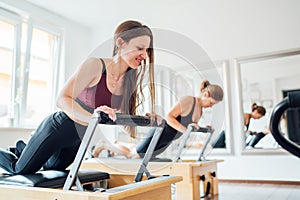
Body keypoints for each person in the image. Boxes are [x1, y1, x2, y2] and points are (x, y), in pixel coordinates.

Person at [0, 20, 156, 174]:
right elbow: (62, 99)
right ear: (121, 43)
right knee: (19, 169)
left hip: (79, 135)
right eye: (140, 48)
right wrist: (93, 117)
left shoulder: (128, 81)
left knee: (52, 169)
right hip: (59, 127)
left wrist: (147, 120)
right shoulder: (95, 65)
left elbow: (121, 121)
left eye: (147, 50)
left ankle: (23, 148)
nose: (144, 55)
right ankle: (25, 150)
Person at [92, 80, 224, 159]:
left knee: (137, 151)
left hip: (169, 138)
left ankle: (115, 142)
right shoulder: (189, 100)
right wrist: (184, 130)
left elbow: (190, 126)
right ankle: (104, 144)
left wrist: (204, 128)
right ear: (205, 94)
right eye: (211, 102)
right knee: (135, 155)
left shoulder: (200, 109)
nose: (211, 106)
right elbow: (169, 117)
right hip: (162, 133)